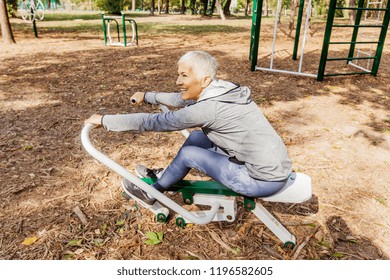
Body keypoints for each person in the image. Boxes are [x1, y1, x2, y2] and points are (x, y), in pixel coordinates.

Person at [85, 51, 292, 206]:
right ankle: (167, 174)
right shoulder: (224, 89)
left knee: (189, 154)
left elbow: (155, 122)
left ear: (204, 80)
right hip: (272, 166)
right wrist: (148, 95)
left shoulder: (209, 108)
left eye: (184, 76)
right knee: (196, 138)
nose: (178, 81)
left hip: (261, 180)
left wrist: (105, 120)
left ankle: (152, 193)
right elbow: (181, 98)